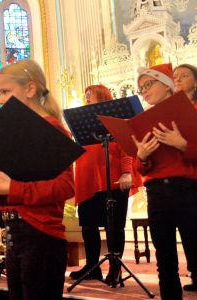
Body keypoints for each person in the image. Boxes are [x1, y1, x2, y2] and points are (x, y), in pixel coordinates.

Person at [0, 60, 73, 299]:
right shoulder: (17, 133)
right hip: (16, 230)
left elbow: (65, 186)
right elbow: (14, 187)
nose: (1, 100)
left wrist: (11, 188)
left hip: (41, 234)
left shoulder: (50, 127)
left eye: (6, 92)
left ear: (30, 89)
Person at [132, 63, 197, 299]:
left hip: (189, 191)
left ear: (167, 84)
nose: (145, 91)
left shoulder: (191, 111)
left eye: (149, 84)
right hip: (157, 194)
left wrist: (182, 145)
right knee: (165, 261)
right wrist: (142, 155)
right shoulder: (142, 121)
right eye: (141, 88)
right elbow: (138, 169)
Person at [69, 85, 137, 284]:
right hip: (87, 178)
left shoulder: (116, 118)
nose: (87, 98)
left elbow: (127, 147)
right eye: (86, 96)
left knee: (114, 226)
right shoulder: (82, 121)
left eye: (90, 95)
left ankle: (115, 268)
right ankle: (92, 267)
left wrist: (126, 172)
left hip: (113, 178)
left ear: (103, 96)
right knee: (88, 225)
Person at [173, 63, 197, 292]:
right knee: (188, 231)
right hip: (180, 180)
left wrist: (182, 145)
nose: (178, 79)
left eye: (184, 75)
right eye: (175, 76)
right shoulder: (171, 112)